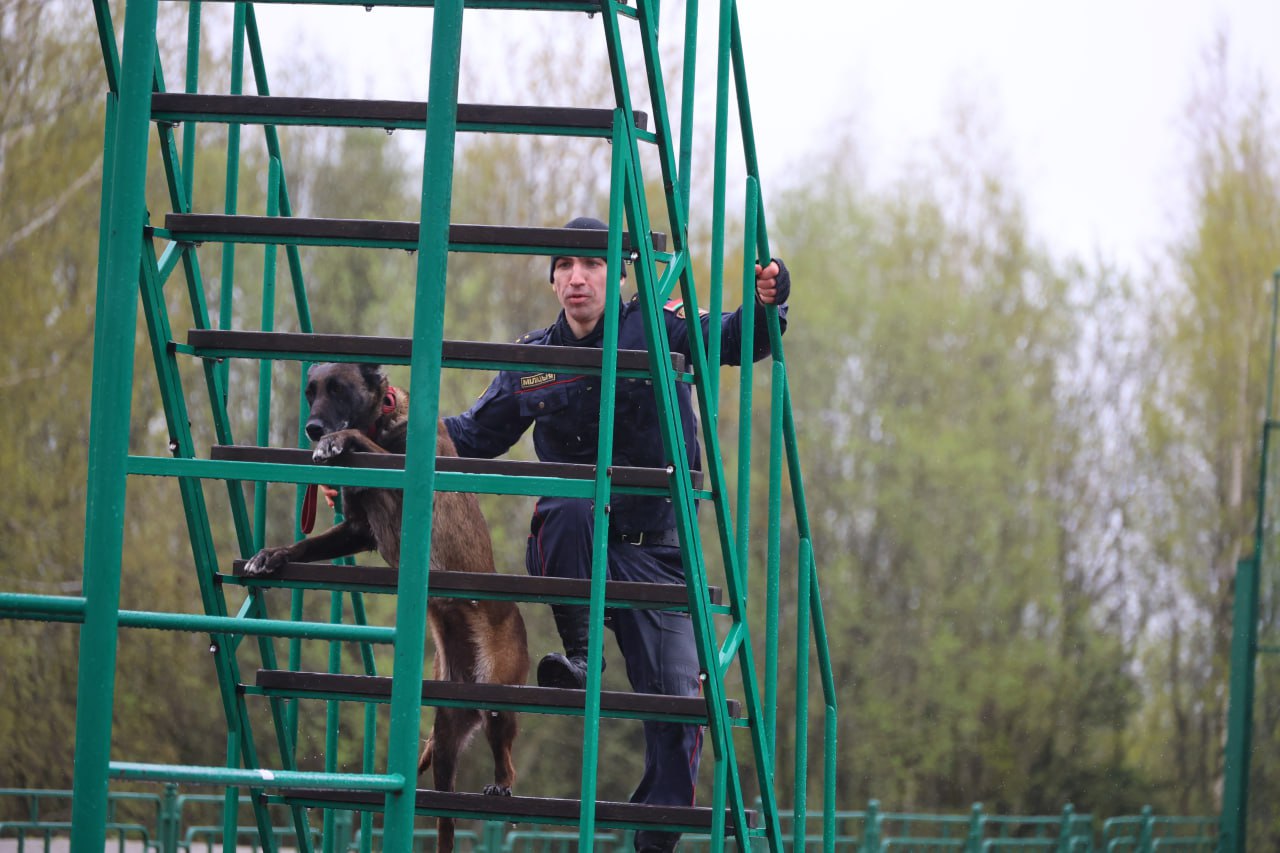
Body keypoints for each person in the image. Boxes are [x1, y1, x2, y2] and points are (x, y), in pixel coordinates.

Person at [443, 216, 790, 853]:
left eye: (594, 265)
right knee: (575, 498)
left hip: (656, 555)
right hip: (576, 548)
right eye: (567, 266)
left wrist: (770, 302)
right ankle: (579, 655)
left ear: (615, 274)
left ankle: (650, 843)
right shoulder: (535, 361)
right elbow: (467, 438)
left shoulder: (659, 327)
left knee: (681, 719)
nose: (579, 277)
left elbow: (738, 338)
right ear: (552, 281)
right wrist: (376, 441)